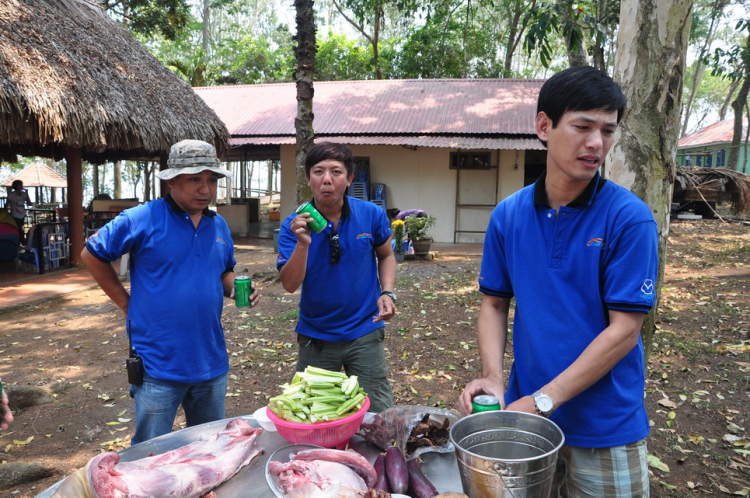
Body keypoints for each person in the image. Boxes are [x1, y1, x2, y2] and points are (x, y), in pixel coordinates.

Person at [458, 65, 658, 498]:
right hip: (527, 422)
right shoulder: (508, 216)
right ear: (544, 126)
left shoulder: (629, 219)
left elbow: (625, 330)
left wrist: (545, 399)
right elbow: (494, 303)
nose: (596, 143)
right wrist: (494, 377)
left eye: (607, 131)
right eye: (582, 126)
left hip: (605, 424)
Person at [81, 139, 259, 445]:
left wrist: (236, 289)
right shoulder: (142, 218)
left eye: (212, 180)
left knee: (211, 447)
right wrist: (126, 303)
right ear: (172, 180)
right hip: (158, 364)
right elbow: (91, 254)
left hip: (210, 361)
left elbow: (224, 272)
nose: (206, 189)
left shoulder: (218, 226)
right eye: (195, 180)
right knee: (150, 451)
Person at [277, 142, 397, 413]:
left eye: (336, 172)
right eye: (318, 172)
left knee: (376, 413)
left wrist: (387, 293)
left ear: (349, 179)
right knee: (314, 414)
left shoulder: (371, 214)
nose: (327, 180)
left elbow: (387, 256)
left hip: (364, 330)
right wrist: (303, 244)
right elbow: (289, 284)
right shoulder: (293, 225)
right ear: (308, 179)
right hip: (315, 336)